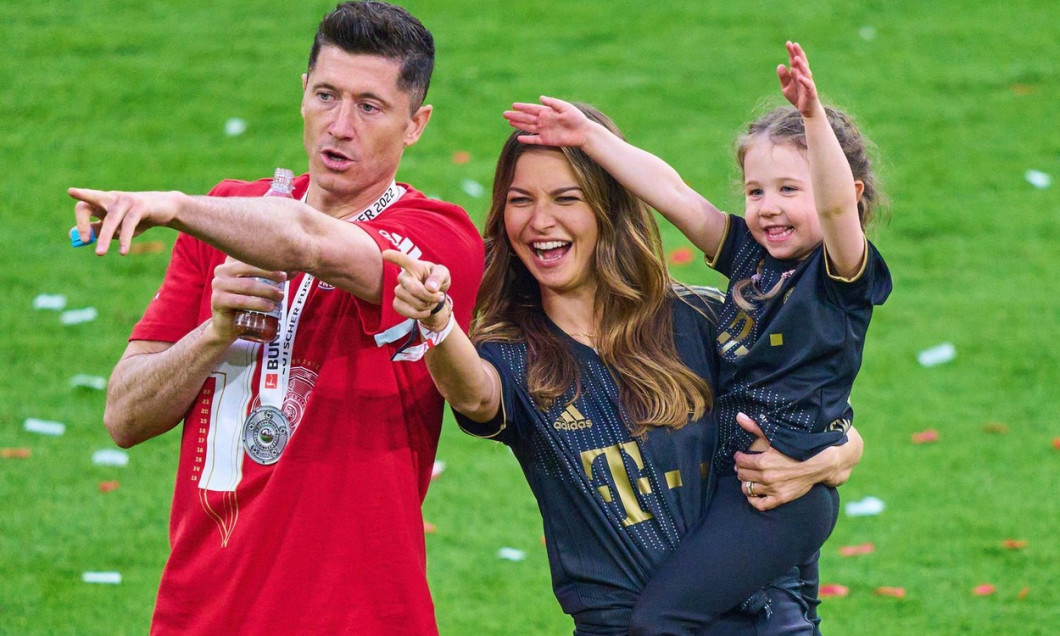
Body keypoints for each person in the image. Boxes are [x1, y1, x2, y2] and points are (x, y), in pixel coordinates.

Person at [68, 2, 483, 634]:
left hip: (361, 616)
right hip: (199, 612)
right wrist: (215, 332)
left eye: (369, 106)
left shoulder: (435, 236)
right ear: (302, 96)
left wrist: (175, 205)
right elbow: (124, 416)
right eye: (326, 95)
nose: (339, 126)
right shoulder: (226, 217)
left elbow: (307, 243)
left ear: (415, 124)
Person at [382, 100, 865, 635]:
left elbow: (813, 411)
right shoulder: (510, 352)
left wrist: (833, 455)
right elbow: (473, 395)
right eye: (521, 200)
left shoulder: (702, 318)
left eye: (567, 198)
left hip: (761, 620)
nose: (540, 221)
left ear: (608, 209)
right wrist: (438, 324)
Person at [503, 42, 891, 633]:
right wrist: (589, 137)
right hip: (746, 480)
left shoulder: (839, 278)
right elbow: (674, 193)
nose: (768, 208)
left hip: (784, 491)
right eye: (757, 191)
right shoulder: (750, 261)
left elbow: (838, 207)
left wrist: (814, 118)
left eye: (791, 189)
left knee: (660, 619)